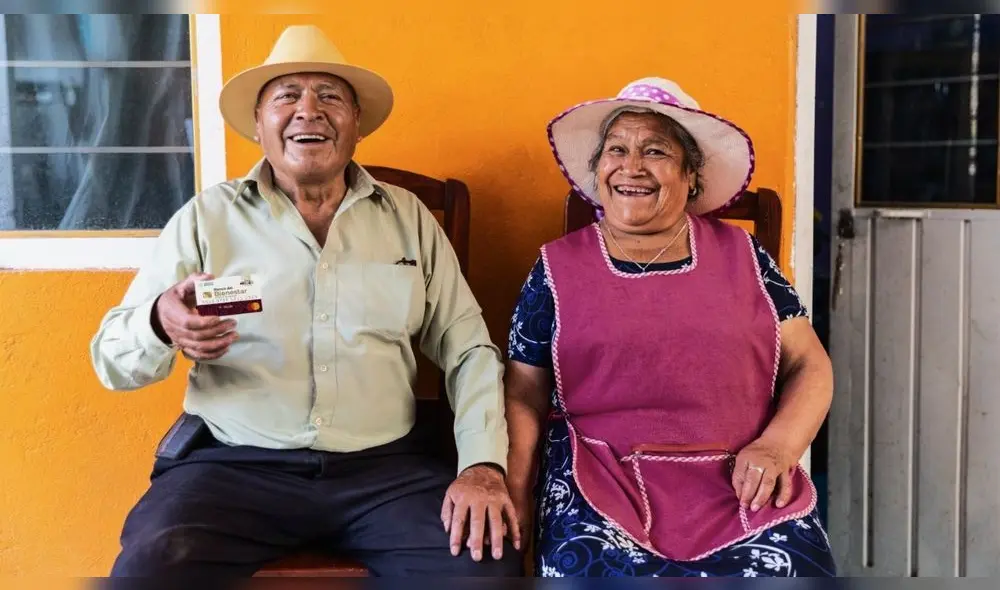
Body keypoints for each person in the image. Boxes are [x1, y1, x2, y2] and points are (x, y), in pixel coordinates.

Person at [90, 25, 522, 578]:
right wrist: (159, 322)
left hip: (386, 472)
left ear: (356, 124)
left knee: (485, 565)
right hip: (235, 467)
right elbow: (112, 361)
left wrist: (482, 464)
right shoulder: (206, 218)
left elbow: (468, 349)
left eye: (330, 97)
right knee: (151, 568)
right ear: (259, 124)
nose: (309, 111)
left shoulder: (410, 218)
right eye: (287, 95)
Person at [504, 78, 837, 577]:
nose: (631, 165)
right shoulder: (554, 269)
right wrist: (516, 491)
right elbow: (524, 391)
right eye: (616, 149)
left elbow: (809, 363)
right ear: (598, 173)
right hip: (600, 480)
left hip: (739, 482)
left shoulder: (746, 257)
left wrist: (779, 445)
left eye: (655, 150)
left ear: (690, 178)